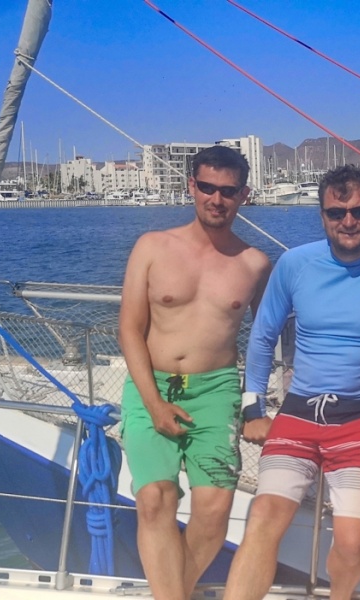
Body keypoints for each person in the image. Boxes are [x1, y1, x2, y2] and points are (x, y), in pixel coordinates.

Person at [222, 165, 360, 600]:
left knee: (352, 539)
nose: (348, 221)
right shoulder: (295, 264)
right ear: (322, 215)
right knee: (263, 518)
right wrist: (253, 409)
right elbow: (263, 336)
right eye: (336, 212)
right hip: (299, 413)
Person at [118, 145, 271, 600]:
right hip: (153, 385)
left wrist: (256, 407)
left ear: (244, 195)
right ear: (191, 187)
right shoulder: (152, 247)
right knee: (154, 499)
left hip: (216, 389)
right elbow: (129, 328)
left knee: (215, 508)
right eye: (207, 187)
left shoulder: (255, 264)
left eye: (228, 191)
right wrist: (153, 404)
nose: (216, 199)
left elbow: (265, 343)